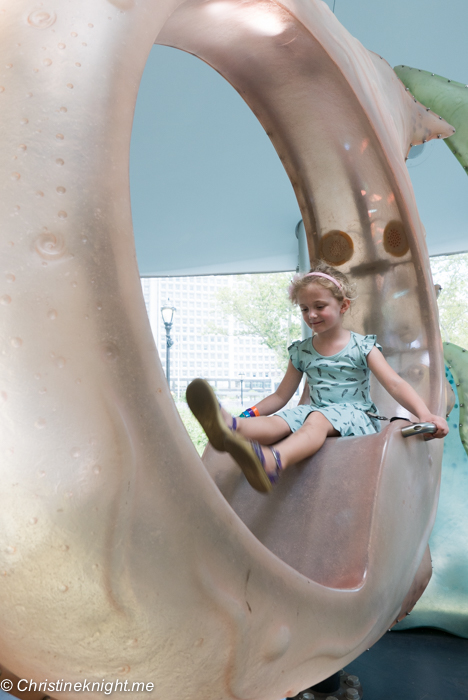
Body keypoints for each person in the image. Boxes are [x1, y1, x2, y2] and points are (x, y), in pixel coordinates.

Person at [186, 262, 449, 493]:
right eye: (304, 309)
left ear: (343, 305)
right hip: (316, 409)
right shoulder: (301, 351)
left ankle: (274, 460)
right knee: (282, 420)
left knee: (316, 420)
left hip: (355, 414)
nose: (311, 315)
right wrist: (247, 415)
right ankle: (232, 428)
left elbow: (395, 383)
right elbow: (280, 396)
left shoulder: (362, 346)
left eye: (319, 306)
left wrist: (424, 414)